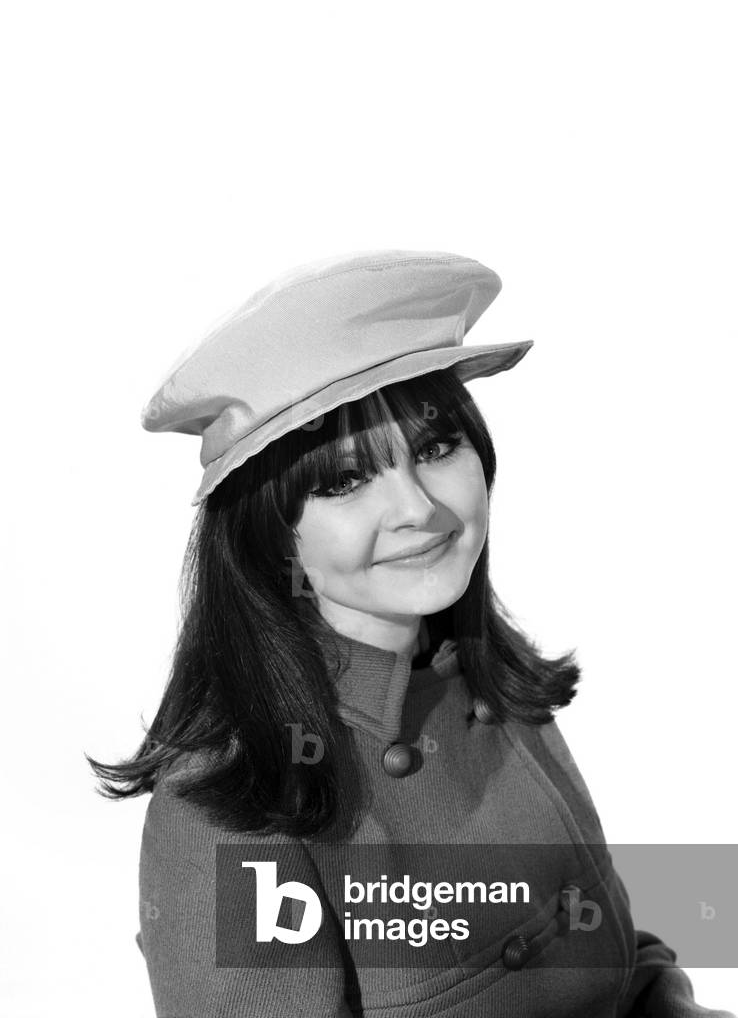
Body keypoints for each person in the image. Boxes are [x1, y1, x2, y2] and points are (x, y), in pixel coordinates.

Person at [88, 250, 735, 1017]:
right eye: (344, 480)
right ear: (266, 534)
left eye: (435, 449)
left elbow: (611, 954)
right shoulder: (230, 805)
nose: (419, 510)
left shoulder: (483, 678)